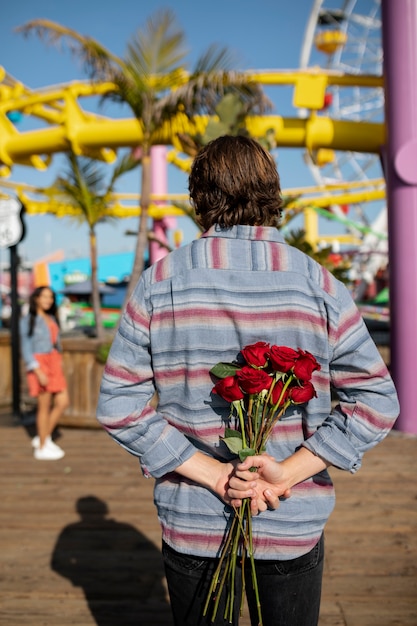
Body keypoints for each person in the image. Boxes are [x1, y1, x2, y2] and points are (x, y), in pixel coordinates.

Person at [96, 135, 399, 626]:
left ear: (199, 199)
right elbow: (376, 401)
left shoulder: (159, 282)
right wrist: (291, 469)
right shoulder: (318, 283)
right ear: (273, 193)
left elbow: (120, 407)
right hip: (289, 515)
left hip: (193, 517)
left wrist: (214, 474)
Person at [20, 286, 69, 461]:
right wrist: (37, 369)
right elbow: (25, 347)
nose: (48, 300)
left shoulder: (51, 317)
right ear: (36, 299)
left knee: (63, 401)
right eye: (44, 297)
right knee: (44, 405)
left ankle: (43, 436)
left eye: (50, 297)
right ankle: (41, 447)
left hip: (53, 361)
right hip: (40, 363)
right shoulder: (28, 320)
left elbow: (56, 342)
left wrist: (59, 359)